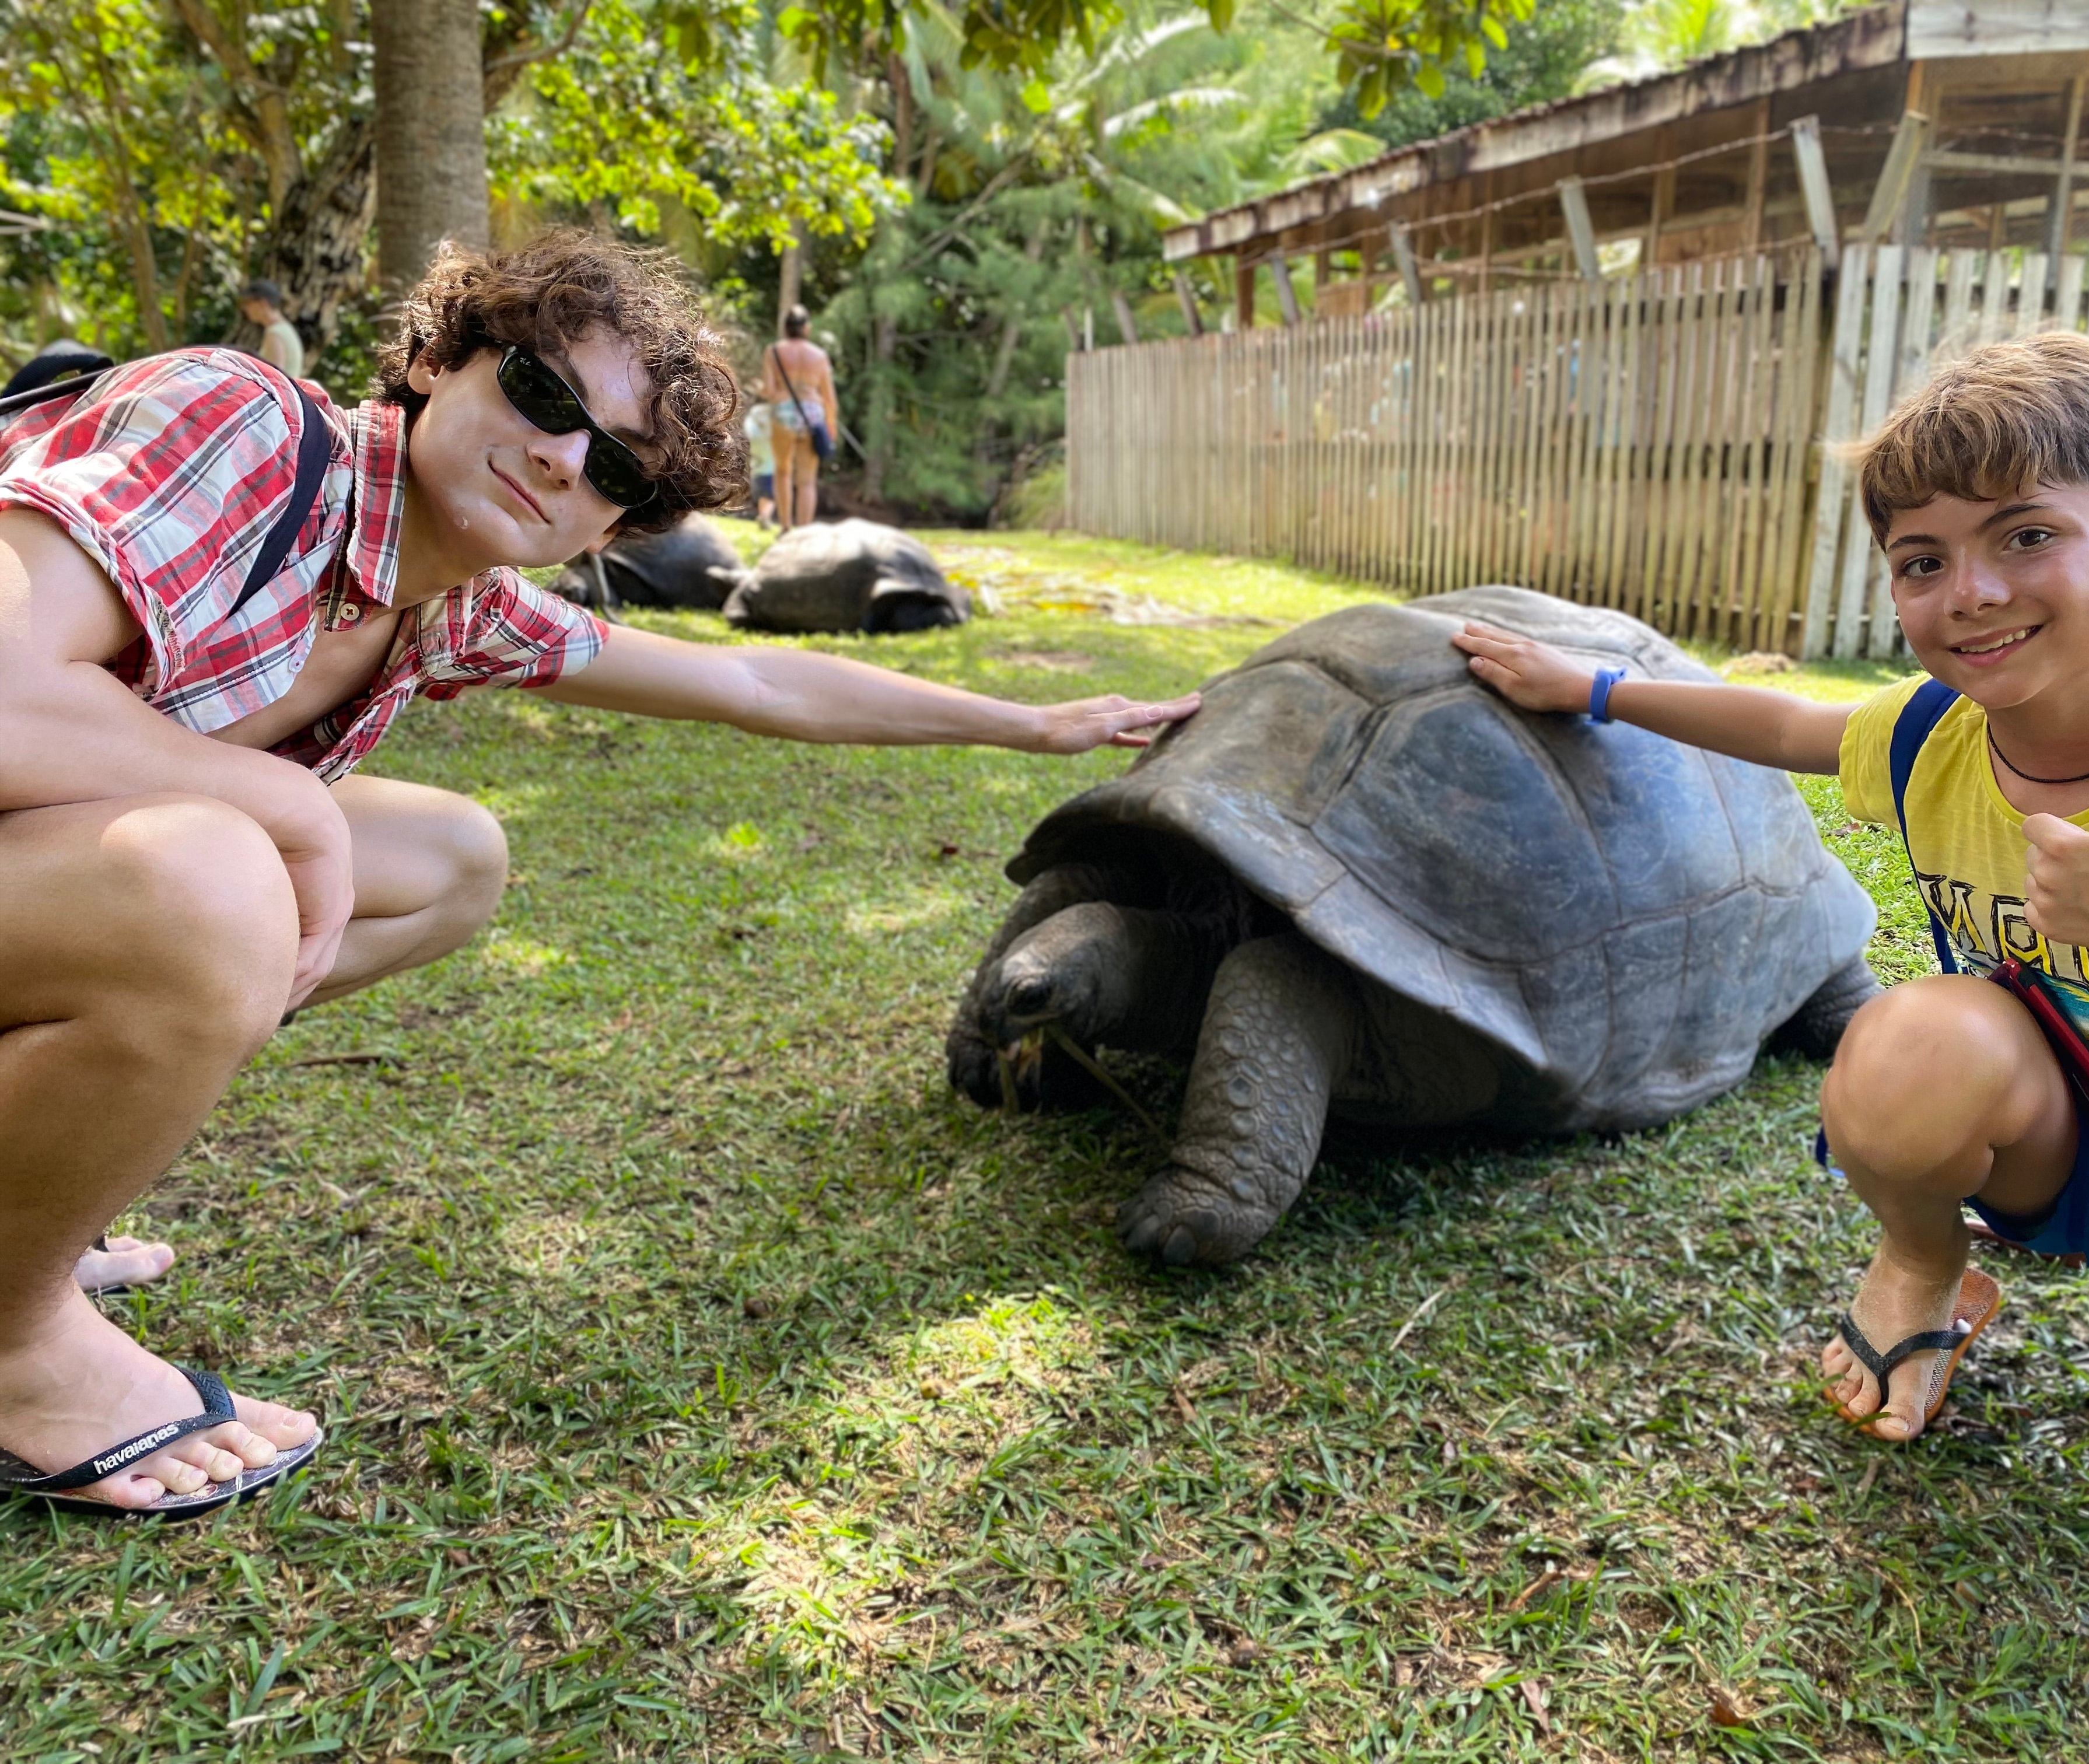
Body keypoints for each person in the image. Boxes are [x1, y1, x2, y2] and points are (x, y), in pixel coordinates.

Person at [0, 230, 1196, 1516]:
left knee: (449, 859)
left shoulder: (452, 605)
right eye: (542, 392)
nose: (564, 457)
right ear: (439, 363)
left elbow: (755, 681)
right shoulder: (248, 425)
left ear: (615, 521)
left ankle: (37, 1177)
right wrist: (290, 803)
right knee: (217, 877)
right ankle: (17, 1349)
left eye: (613, 465)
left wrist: (1035, 723)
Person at [1454, 332, 2089, 1532]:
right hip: (2035, 1121)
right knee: (1903, 1050)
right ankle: (1925, 1261)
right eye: (1923, 559)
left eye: (2025, 535)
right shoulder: (1930, 735)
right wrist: (1594, 689)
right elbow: (1789, 725)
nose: (1970, 591)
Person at [761, 304, 836, 529]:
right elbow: (829, 398)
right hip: (813, 414)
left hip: (784, 411)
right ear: (807, 328)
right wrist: (831, 427)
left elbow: (771, 391)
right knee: (807, 481)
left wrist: (761, 391)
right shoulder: (820, 355)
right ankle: (804, 533)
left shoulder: (773, 352)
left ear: (785, 329)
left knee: (783, 472)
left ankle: (786, 527)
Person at [237, 279, 305, 380]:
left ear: (262, 304)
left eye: (248, 303)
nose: (245, 309)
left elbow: (275, 377)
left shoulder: (275, 333)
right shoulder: (285, 328)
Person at [744, 397, 778, 526]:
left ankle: (763, 516)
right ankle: (764, 517)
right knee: (771, 496)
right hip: (771, 469)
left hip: (757, 468)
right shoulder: (772, 416)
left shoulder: (753, 420)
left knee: (764, 495)